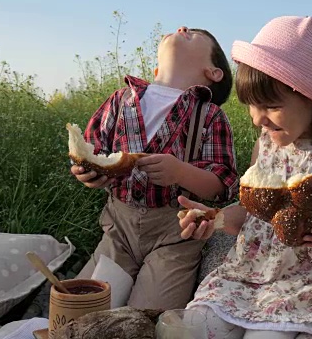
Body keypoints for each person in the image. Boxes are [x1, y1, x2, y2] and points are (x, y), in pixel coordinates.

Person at [177, 16, 312, 338]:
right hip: (249, 273)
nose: (258, 118)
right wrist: (214, 219)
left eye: (272, 106)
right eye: (250, 105)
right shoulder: (265, 145)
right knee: (194, 326)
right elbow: (252, 213)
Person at [71, 26, 239, 311]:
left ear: (213, 72)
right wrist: (89, 171)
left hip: (175, 237)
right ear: (156, 67)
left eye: (196, 35)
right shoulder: (121, 100)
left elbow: (223, 184)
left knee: (149, 314)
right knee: (83, 306)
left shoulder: (208, 114)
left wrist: (181, 173)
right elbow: (92, 149)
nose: (182, 28)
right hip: (118, 231)